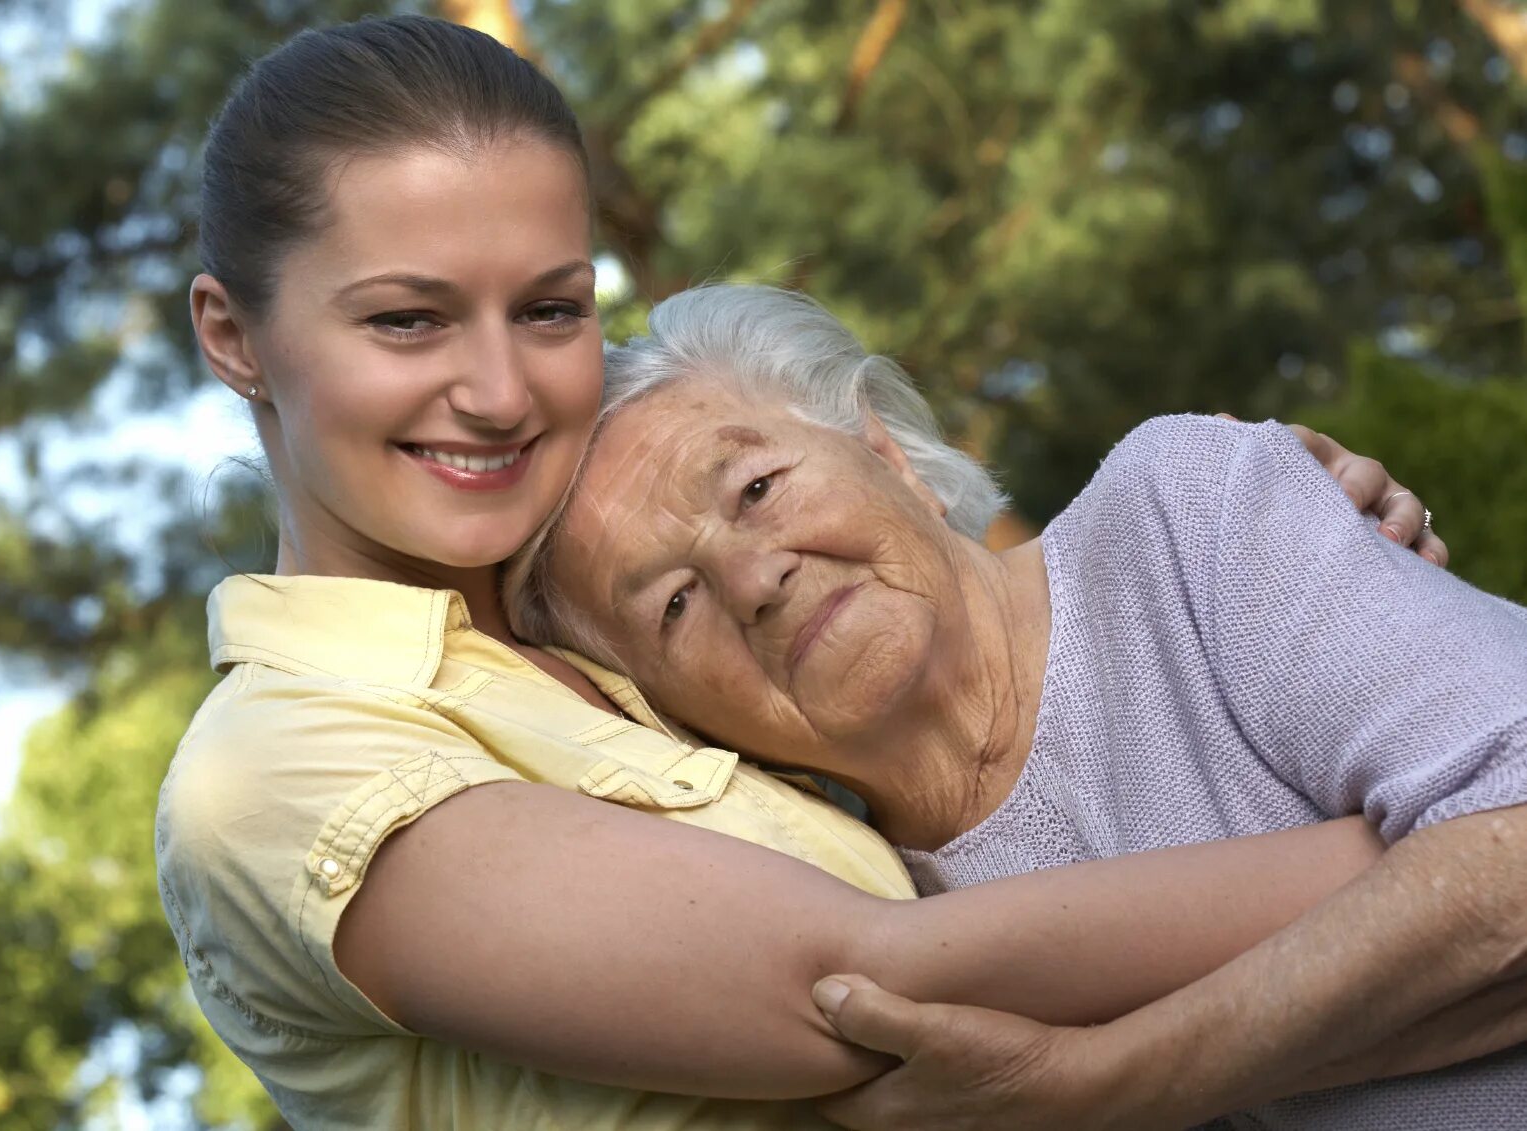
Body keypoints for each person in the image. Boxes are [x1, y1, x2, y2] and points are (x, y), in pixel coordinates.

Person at [158, 15, 1459, 1130]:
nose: (498, 392)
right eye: (406, 317)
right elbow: (871, 987)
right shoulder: (275, 764)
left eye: (550, 307)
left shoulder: (614, 643)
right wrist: (1454, 825)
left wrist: (1288, 565)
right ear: (235, 335)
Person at [510, 283, 1527, 1128]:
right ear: (668, 714)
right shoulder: (837, 908)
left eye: (756, 490)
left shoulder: (1180, 519)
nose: (753, 579)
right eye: (674, 604)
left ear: (885, 450)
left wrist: (1109, 1081)